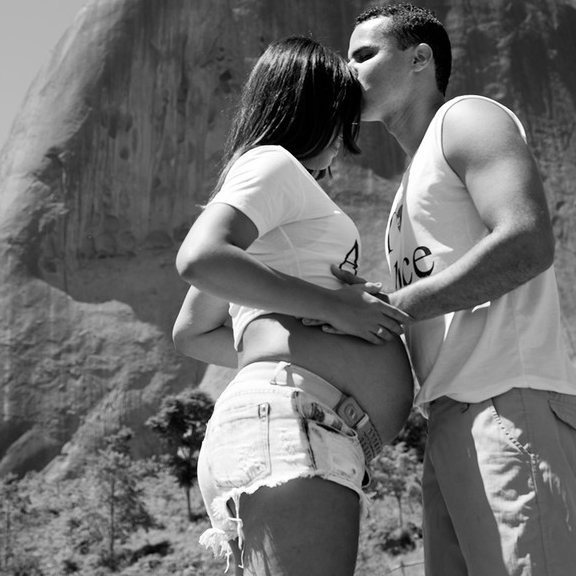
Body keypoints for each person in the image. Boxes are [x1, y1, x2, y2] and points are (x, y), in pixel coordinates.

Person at [321, 2, 576, 576]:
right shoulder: (407, 190)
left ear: (420, 58)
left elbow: (527, 240)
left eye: (364, 55)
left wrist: (397, 304)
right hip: (449, 419)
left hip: (509, 403)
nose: (349, 72)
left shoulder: (467, 119)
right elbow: (437, 296)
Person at [173, 36, 414, 576]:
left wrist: (295, 323)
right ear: (315, 109)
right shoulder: (275, 164)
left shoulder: (278, 196)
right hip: (294, 423)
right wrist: (336, 312)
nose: (343, 143)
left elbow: (194, 332)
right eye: (343, 122)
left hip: (296, 424)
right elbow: (202, 258)